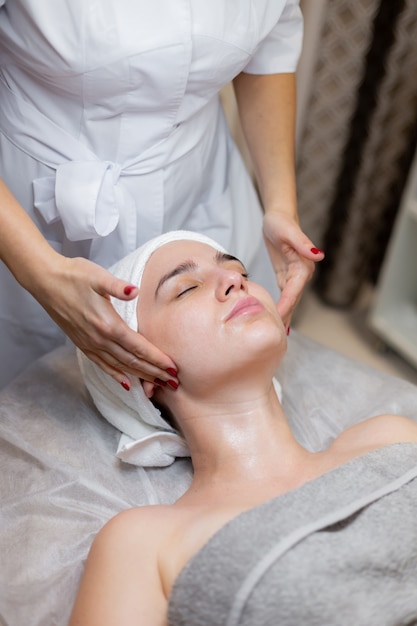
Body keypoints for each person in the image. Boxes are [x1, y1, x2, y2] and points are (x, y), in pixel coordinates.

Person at [70, 231, 417, 626]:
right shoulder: (144, 543)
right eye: (186, 289)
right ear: (137, 370)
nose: (234, 281)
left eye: (240, 271)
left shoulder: (387, 437)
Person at [0, 0, 325, 389]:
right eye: (186, 286)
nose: (235, 284)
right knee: (31, 393)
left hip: (199, 186)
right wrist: (41, 273)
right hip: (27, 214)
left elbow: (269, 50)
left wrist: (280, 205)